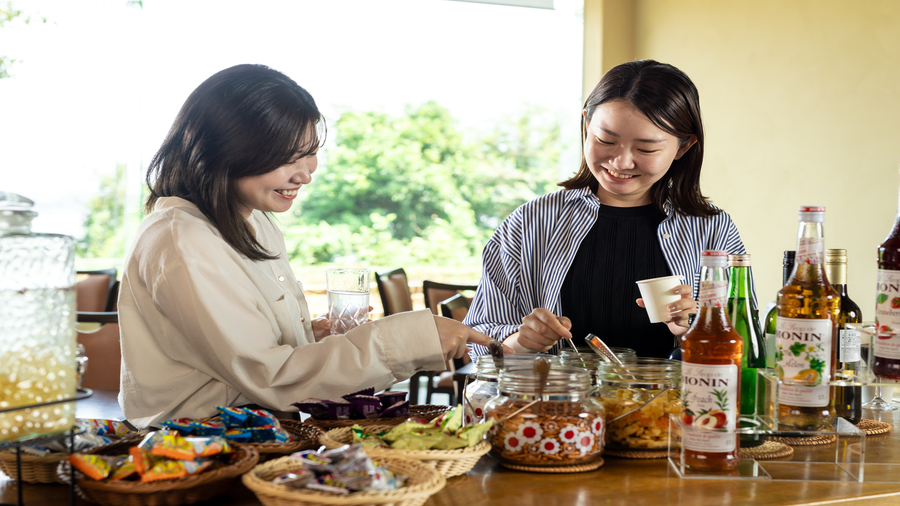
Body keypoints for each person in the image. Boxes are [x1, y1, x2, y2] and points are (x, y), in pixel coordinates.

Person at [118, 64, 498, 428]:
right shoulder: (183, 240)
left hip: (258, 437)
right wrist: (413, 339)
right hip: (195, 451)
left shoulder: (253, 222)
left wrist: (306, 333)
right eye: (287, 157)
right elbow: (274, 377)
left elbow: (242, 352)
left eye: (310, 152)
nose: (306, 174)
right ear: (224, 149)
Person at [465, 59, 752, 359]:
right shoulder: (530, 222)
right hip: (557, 404)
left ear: (683, 147)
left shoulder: (712, 230)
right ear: (587, 123)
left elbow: (747, 348)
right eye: (605, 140)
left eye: (646, 149)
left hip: (672, 404)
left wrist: (692, 331)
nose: (620, 162)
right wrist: (522, 342)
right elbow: (477, 341)